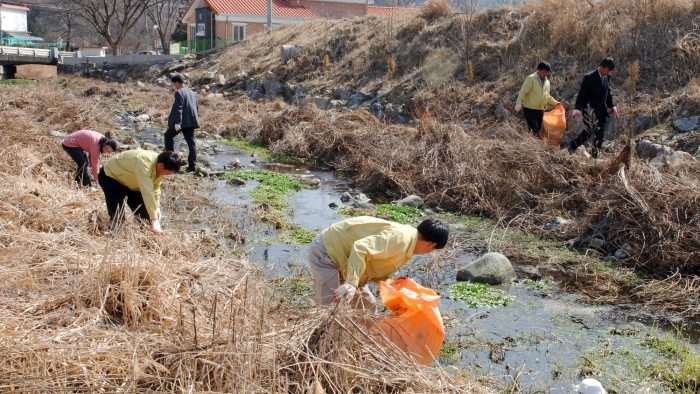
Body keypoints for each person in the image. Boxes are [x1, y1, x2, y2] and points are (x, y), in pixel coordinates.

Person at [308, 216, 449, 310]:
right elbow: (361, 247)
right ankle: (321, 348)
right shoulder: (400, 238)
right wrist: (351, 283)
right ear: (431, 245)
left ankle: (359, 345)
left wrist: (393, 283)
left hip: (348, 261)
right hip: (328, 251)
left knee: (367, 308)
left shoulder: (407, 246)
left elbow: (373, 267)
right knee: (330, 308)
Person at [98, 150, 183, 235]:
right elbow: (147, 192)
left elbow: (156, 188)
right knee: (118, 216)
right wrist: (155, 220)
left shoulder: (161, 166)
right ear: (161, 165)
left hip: (132, 183)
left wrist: (156, 208)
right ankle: (114, 236)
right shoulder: (145, 164)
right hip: (111, 177)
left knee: (146, 217)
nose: (168, 175)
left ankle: (147, 237)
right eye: (169, 173)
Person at [568, 57, 618, 158]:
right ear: (601, 67)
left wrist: (612, 105)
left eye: (610, 71)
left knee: (600, 133)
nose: (608, 72)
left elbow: (608, 92)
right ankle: (573, 145)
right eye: (607, 70)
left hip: (602, 110)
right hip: (590, 109)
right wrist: (577, 108)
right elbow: (582, 94)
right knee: (589, 131)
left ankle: (595, 153)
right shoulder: (589, 77)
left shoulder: (607, 77)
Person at [515, 61, 562, 137]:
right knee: (534, 131)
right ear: (538, 70)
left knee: (538, 130)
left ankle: (534, 145)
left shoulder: (547, 82)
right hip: (530, 109)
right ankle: (533, 146)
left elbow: (547, 96)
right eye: (544, 72)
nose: (545, 74)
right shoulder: (531, 79)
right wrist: (518, 103)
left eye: (547, 72)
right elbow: (523, 91)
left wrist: (555, 103)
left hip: (540, 110)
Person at [164, 75, 200, 172]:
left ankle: (170, 161)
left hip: (181, 122)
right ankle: (192, 166)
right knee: (191, 143)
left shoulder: (179, 92)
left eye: (174, 84)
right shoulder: (192, 92)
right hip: (191, 121)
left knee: (168, 136)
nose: (174, 86)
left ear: (176, 82)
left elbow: (178, 109)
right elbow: (196, 107)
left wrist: (177, 123)